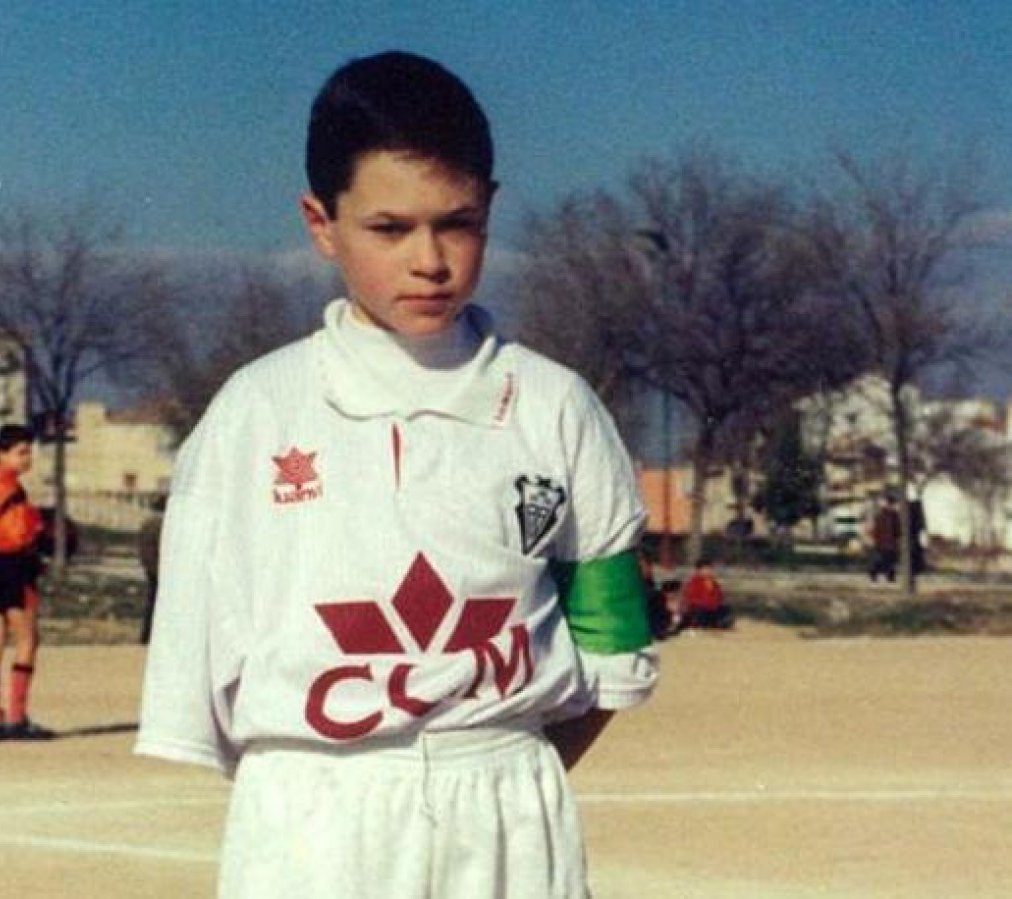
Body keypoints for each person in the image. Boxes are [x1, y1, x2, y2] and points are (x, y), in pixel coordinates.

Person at [136, 51, 658, 899]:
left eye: (457, 223)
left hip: (506, 801)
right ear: (321, 222)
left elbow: (614, 639)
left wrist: (496, 763)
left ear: (490, 209)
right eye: (389, 228)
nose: (430, 260)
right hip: (310, 812)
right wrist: (330, 780)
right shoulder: (257, 412)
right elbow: (202, 656)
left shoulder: (554, 406)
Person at [0, 424, 54, 742]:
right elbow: (19, 534)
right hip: (12, 566)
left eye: (29, 452)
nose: (27, 459)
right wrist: (36, 533)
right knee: (27, 640)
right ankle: (17, 717)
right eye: (21, 452)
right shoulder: (11, 490)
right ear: (0, 454)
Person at [137, 495, 165, 644]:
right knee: (156, 604)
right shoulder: (159, 525)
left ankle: (146, 635)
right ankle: (150, 635)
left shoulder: (147, 524)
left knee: (152, 602)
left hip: (151, 568)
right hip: (158, 569)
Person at [678, 557, 735, 631]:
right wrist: (707, 604)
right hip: (700, 609)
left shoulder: (714, 583)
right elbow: (691, 599)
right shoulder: (693, 582)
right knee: (699, 611)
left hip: (712, 609)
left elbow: (720, 597)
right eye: (704, 569)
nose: (707, 571)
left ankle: (717, 623)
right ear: (699, 571)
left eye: (709, 569)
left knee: (725, 609)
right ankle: (703, 623)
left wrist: (716, 605)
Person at [869, 494, 900, 583]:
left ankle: (889, 576)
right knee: (883, 559)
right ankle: (875, 572)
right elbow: (876, 528)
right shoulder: (881, 514)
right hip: (883, 541)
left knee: (890, 559)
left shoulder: (893, 515)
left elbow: (896, 528)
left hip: (889, 541)